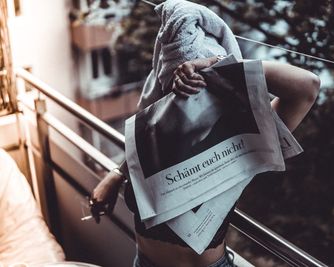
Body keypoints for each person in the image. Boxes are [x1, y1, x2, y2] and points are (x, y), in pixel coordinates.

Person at [90, 55, 320, 267]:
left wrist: (215, 64)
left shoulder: (242, 137)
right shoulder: (158, 129)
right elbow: (139, 160)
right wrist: (116, 175)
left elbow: (307, 86)